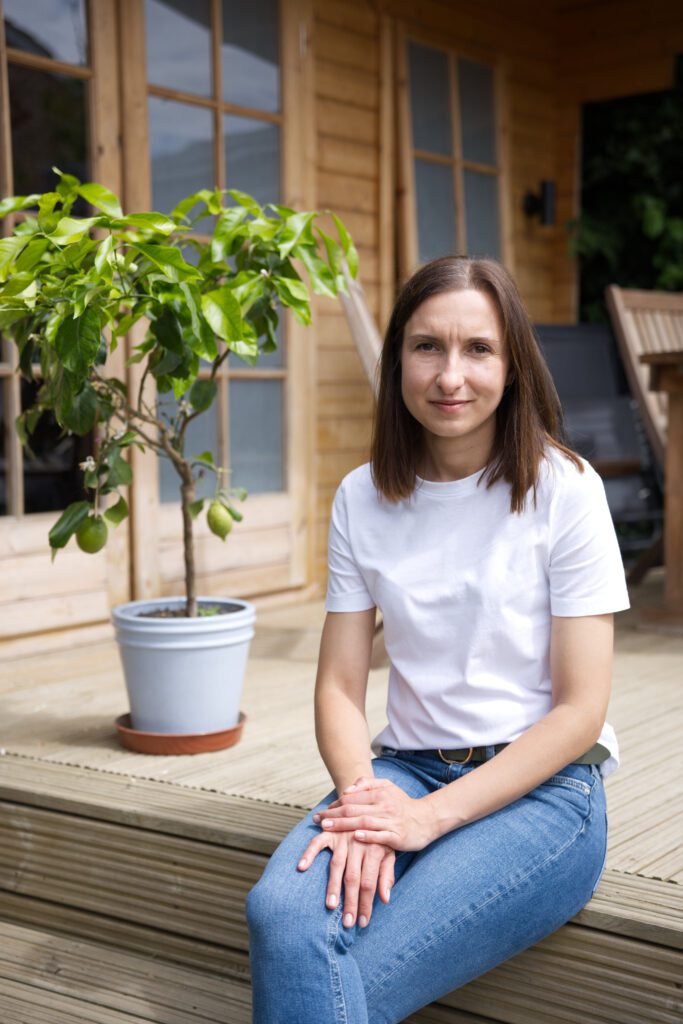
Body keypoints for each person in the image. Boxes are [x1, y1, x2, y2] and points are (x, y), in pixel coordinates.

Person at [246, 255, 630, 1024]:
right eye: (426, 347)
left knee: (331, 969)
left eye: (477, 349)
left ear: (513, 363)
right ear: (397, 363)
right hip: (402, 772)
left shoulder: (566, 490)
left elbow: (579, 711)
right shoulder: (362, 497)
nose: (450, 375)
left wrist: (425, 821)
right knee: (279, 915)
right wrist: (367, 800)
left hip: (543, 793)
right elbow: (337, 688)